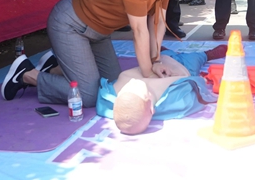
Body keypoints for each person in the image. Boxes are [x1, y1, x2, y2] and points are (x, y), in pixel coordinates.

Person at [1, 0, 206, 108]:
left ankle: (55, 67)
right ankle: (26, 74)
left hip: (99, 33)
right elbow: (139, 30)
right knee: (88, 95)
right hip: (71, 25)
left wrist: (156, 61)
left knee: (110, 85)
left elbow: (158, 23)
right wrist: (148, 74)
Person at [96, 45, 227, 135]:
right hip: (184, 66)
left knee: (161, 54)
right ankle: (206, 54)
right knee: (195, 59)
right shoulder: (174, 101)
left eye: (127, 89)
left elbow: (104, 101)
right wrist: (197, 79)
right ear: (152, 108)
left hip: (158, 62)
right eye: (137, 89)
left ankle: (165, 52)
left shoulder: (117, 95)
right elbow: (195, 86)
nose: (133, 83)